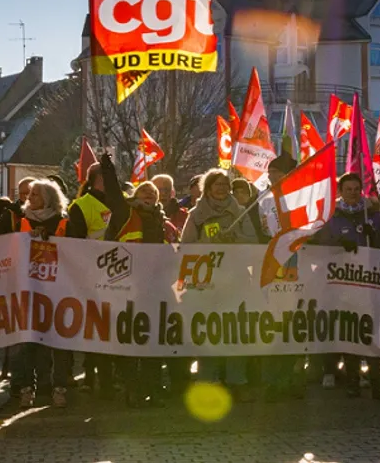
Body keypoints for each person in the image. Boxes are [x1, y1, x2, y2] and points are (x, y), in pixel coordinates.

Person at [314, 172, 380, 399]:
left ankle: (376, 379)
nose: (351, 193)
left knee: (371, 332)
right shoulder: (332, 216)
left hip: (370, 283)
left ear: (361, 191)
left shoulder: (373, 215)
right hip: (344, 285)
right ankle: (352, 380)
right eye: (347, 189)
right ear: (340, 191)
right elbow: (320, 246)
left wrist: (375, 235)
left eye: (355, 189)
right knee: (350, 333)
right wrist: (339, 244)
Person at [180, 169, 257, 400]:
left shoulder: (241, 212)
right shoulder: (195, 215)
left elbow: (253, 242)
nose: (222, 188)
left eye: (226, 184)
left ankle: (237, 381)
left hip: (236, 282)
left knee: (235, 332)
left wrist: (235, 239)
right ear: (208, 187)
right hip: (207, 284)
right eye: (217, 184)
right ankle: (207, 380)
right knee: (209, 332)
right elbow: (186, 246)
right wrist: (210, 242)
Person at [66, 155, 130, 397]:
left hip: (121, 272)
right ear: (96, 180)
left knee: (118, 328)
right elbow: (76, 242)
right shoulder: (81, 206)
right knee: (98, 330)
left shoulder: (121, 202)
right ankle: (96, 377)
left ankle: (116, 376)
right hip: (93, 274)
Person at [118, 181, 177, 406]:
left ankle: (152, 387)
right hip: (132, 288)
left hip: (159, 288)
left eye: (153, 193)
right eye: (144, 191)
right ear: (135, 194)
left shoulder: (165, 223)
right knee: (134, 341)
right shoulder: (125, 214)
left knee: (154, 341)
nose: (150, 195)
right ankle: (133, 389)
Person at [15, 179, 71, 408]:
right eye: (29, 194)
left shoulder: (65, 223)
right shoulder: (21, 221)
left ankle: (59, 388)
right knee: (29, 343)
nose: (29, 197)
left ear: (48, 198)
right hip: (29, 291)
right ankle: (28, 388)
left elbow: (76, 250)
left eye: (35, 194)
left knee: (59, 341)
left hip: (60, 291)